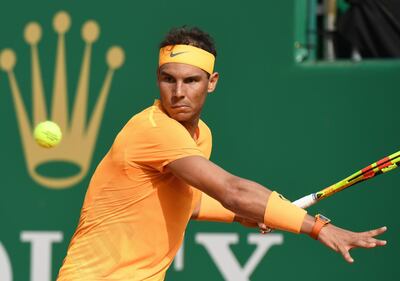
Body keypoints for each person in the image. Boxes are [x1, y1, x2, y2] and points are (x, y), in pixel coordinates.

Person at [57, 26, 387, 281]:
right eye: (168, 79)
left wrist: (242, 214)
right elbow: (232, 191)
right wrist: (318, 228)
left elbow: (191, 201)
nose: (178, 92)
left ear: (211, 82)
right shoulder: (154, 130)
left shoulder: (200, 136)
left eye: (191, 80)